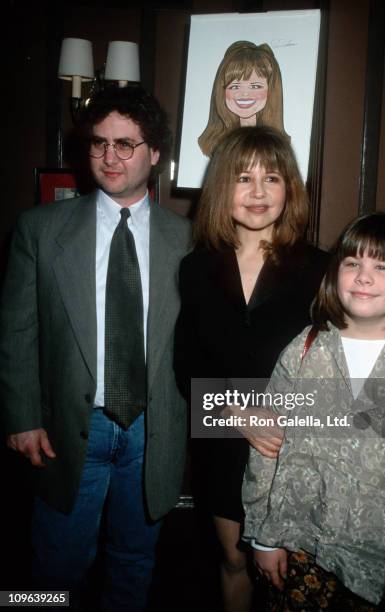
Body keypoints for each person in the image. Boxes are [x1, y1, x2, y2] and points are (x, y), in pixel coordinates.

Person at [0, 85, 190, 611]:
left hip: (153, 432)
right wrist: (20, 417)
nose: (110, 157)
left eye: (126, 144)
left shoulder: (192, 240)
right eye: (99, 143)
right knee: (51, 567)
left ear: (155, 154)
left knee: (135, 562)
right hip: (66, 428)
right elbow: (16, 330)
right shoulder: (39, 231)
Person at [243, 213, 385, 611]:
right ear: (334, 274)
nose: (363, 277)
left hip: (383, 563)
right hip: (301, 548)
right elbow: (267, 447)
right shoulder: (304, 350)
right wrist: (265, 537)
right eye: (352, 263)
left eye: (382, 267)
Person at [174, 125, 329, 612]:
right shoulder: (196, 268)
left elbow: (367, 340)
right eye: (244, 178)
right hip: (222, 441)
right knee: (234, 561)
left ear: (291, 189)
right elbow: (185, 365)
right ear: (223, 187)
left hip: (295, 444)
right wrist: (235, 411)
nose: (259, 192)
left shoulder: (325, 269)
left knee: (296, 579)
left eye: (273, 178)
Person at [198, 41, 290, 157]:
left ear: (270, 91)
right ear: (222, 91)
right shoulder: (217, 145)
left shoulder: (276, 148)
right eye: (235, 86)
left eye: (255, 86)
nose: (245, 94)